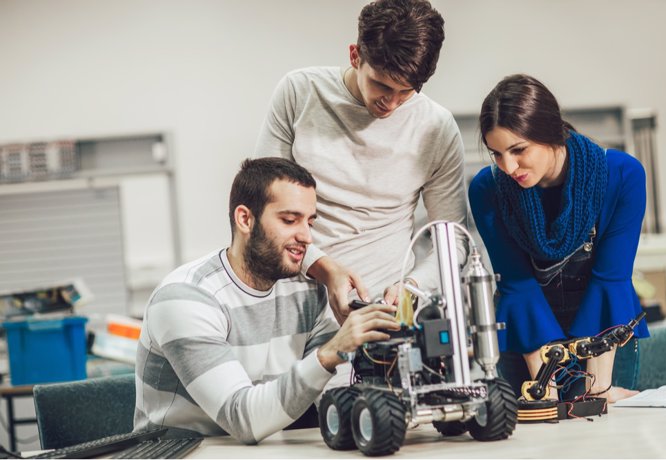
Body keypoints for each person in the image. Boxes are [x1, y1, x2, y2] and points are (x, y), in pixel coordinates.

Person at [133, 158, 399, 443]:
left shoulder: (305, 292)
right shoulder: (187, 298)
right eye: (289, 220)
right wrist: (334, 349)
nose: (307, 237)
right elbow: (242, 419)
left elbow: (332, 394)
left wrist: (381, 351)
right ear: (245, 219)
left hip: (266, 448)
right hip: (180, 452)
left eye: (310, 222)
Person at [255, 0, 467, 322]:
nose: (391, 102)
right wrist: (323, 268)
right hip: (293, 300)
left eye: (406, 92)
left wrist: (412, 286)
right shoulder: (299, 93)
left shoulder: (437, 128)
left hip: (384, 312)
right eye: (381, 84)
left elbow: (452, 244)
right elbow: (261, 204)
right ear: (355, 56)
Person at [468, 74, 649, 403]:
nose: (508, 166)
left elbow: (610, 279)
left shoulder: (621, 177)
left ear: (551, 132)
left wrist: (599, 390)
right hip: (528, 345)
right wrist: (544, 388)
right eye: (496, 154)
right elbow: (517, 285)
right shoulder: (488, 190)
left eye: (518, 150)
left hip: (603, 346)